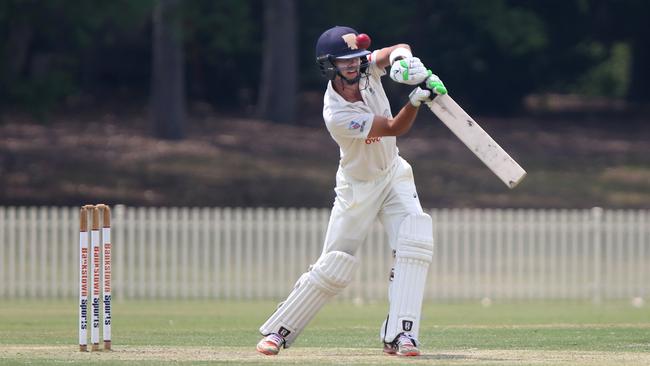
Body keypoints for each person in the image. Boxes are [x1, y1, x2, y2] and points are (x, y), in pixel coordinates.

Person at [256, 25, 447, 357]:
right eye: (344, 61)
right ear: (329, 65)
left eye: (357, 59)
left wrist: (405, 61)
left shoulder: (367, 69)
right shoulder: (336, 113)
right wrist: (416, 98)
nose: (353, 65)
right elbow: (393, 128)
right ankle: (279, 329)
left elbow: (395, 48)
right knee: (334, 265)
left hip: (393, 174)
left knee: (415, 242)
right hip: (357, 188)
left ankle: (401, 335)